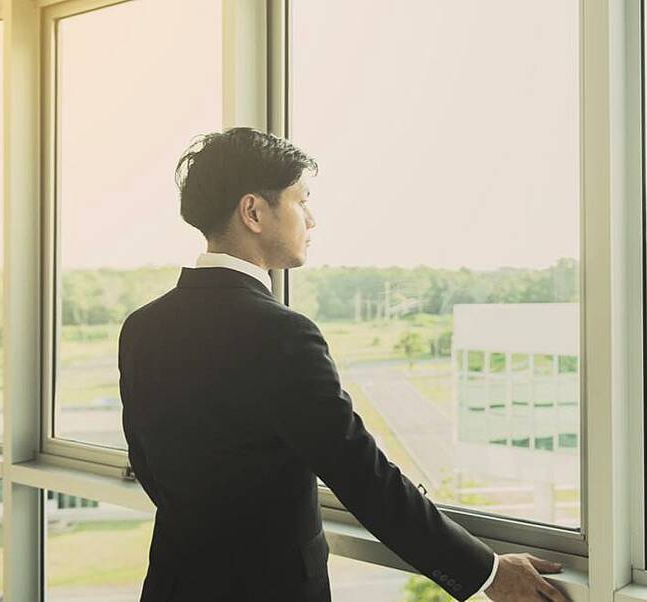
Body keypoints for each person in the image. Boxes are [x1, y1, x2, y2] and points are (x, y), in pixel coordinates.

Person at [119, 127, 570, 602]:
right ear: (254, 211)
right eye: (301, 201)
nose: (311, 220)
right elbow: (363, 477)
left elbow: (147, 464)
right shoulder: (280, 335)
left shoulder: (142, 326)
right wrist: (488, 572)